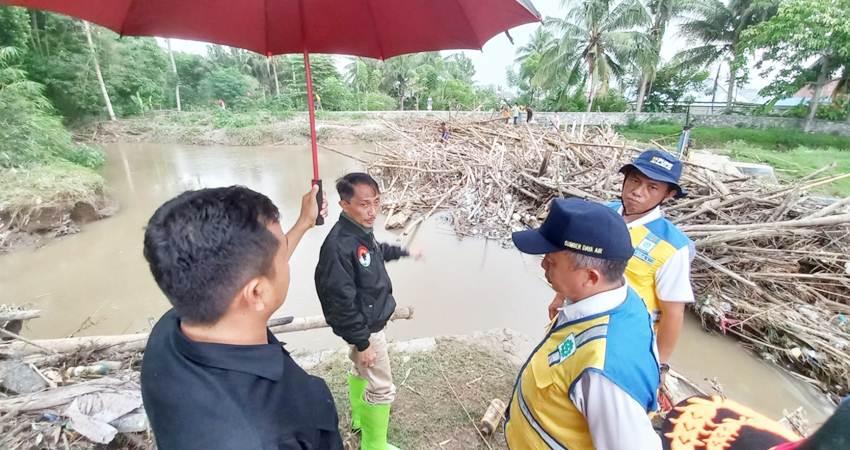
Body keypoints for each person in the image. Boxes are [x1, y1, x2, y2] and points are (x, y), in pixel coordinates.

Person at [140, 185, 340, 450]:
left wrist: (303, 223)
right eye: (283, 257)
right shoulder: (265, 436)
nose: (286, 264)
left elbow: (249, 271)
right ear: (256, 292)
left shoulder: (170, 332)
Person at [506, 198, 661, 450]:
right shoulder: (621, 297)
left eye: (551, 261)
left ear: (590, 277)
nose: (543, 264)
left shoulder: (603, 371)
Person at [550, 149, 694, 385]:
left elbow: (673, 312)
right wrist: (560, 296)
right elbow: (576, 259)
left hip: (621, 339)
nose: (638, 192)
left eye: (652, 188)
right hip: (577, 318)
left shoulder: (672, 246)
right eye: (635, 181)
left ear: (668, 195)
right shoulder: (602, 213)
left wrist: (659, 364)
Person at [314, 173, 421, 450]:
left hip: (365, 324)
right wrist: (363, 342)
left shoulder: (359, 232)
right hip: (366, 328)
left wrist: (404, 252)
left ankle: (360, 420)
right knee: (383, 387)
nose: (372, 211)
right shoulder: (338, 245)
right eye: (364, 204)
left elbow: (376, 251)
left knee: (361, 370)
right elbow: (340, 301)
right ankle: (375, 446)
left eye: (376, 202)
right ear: (344, 204)